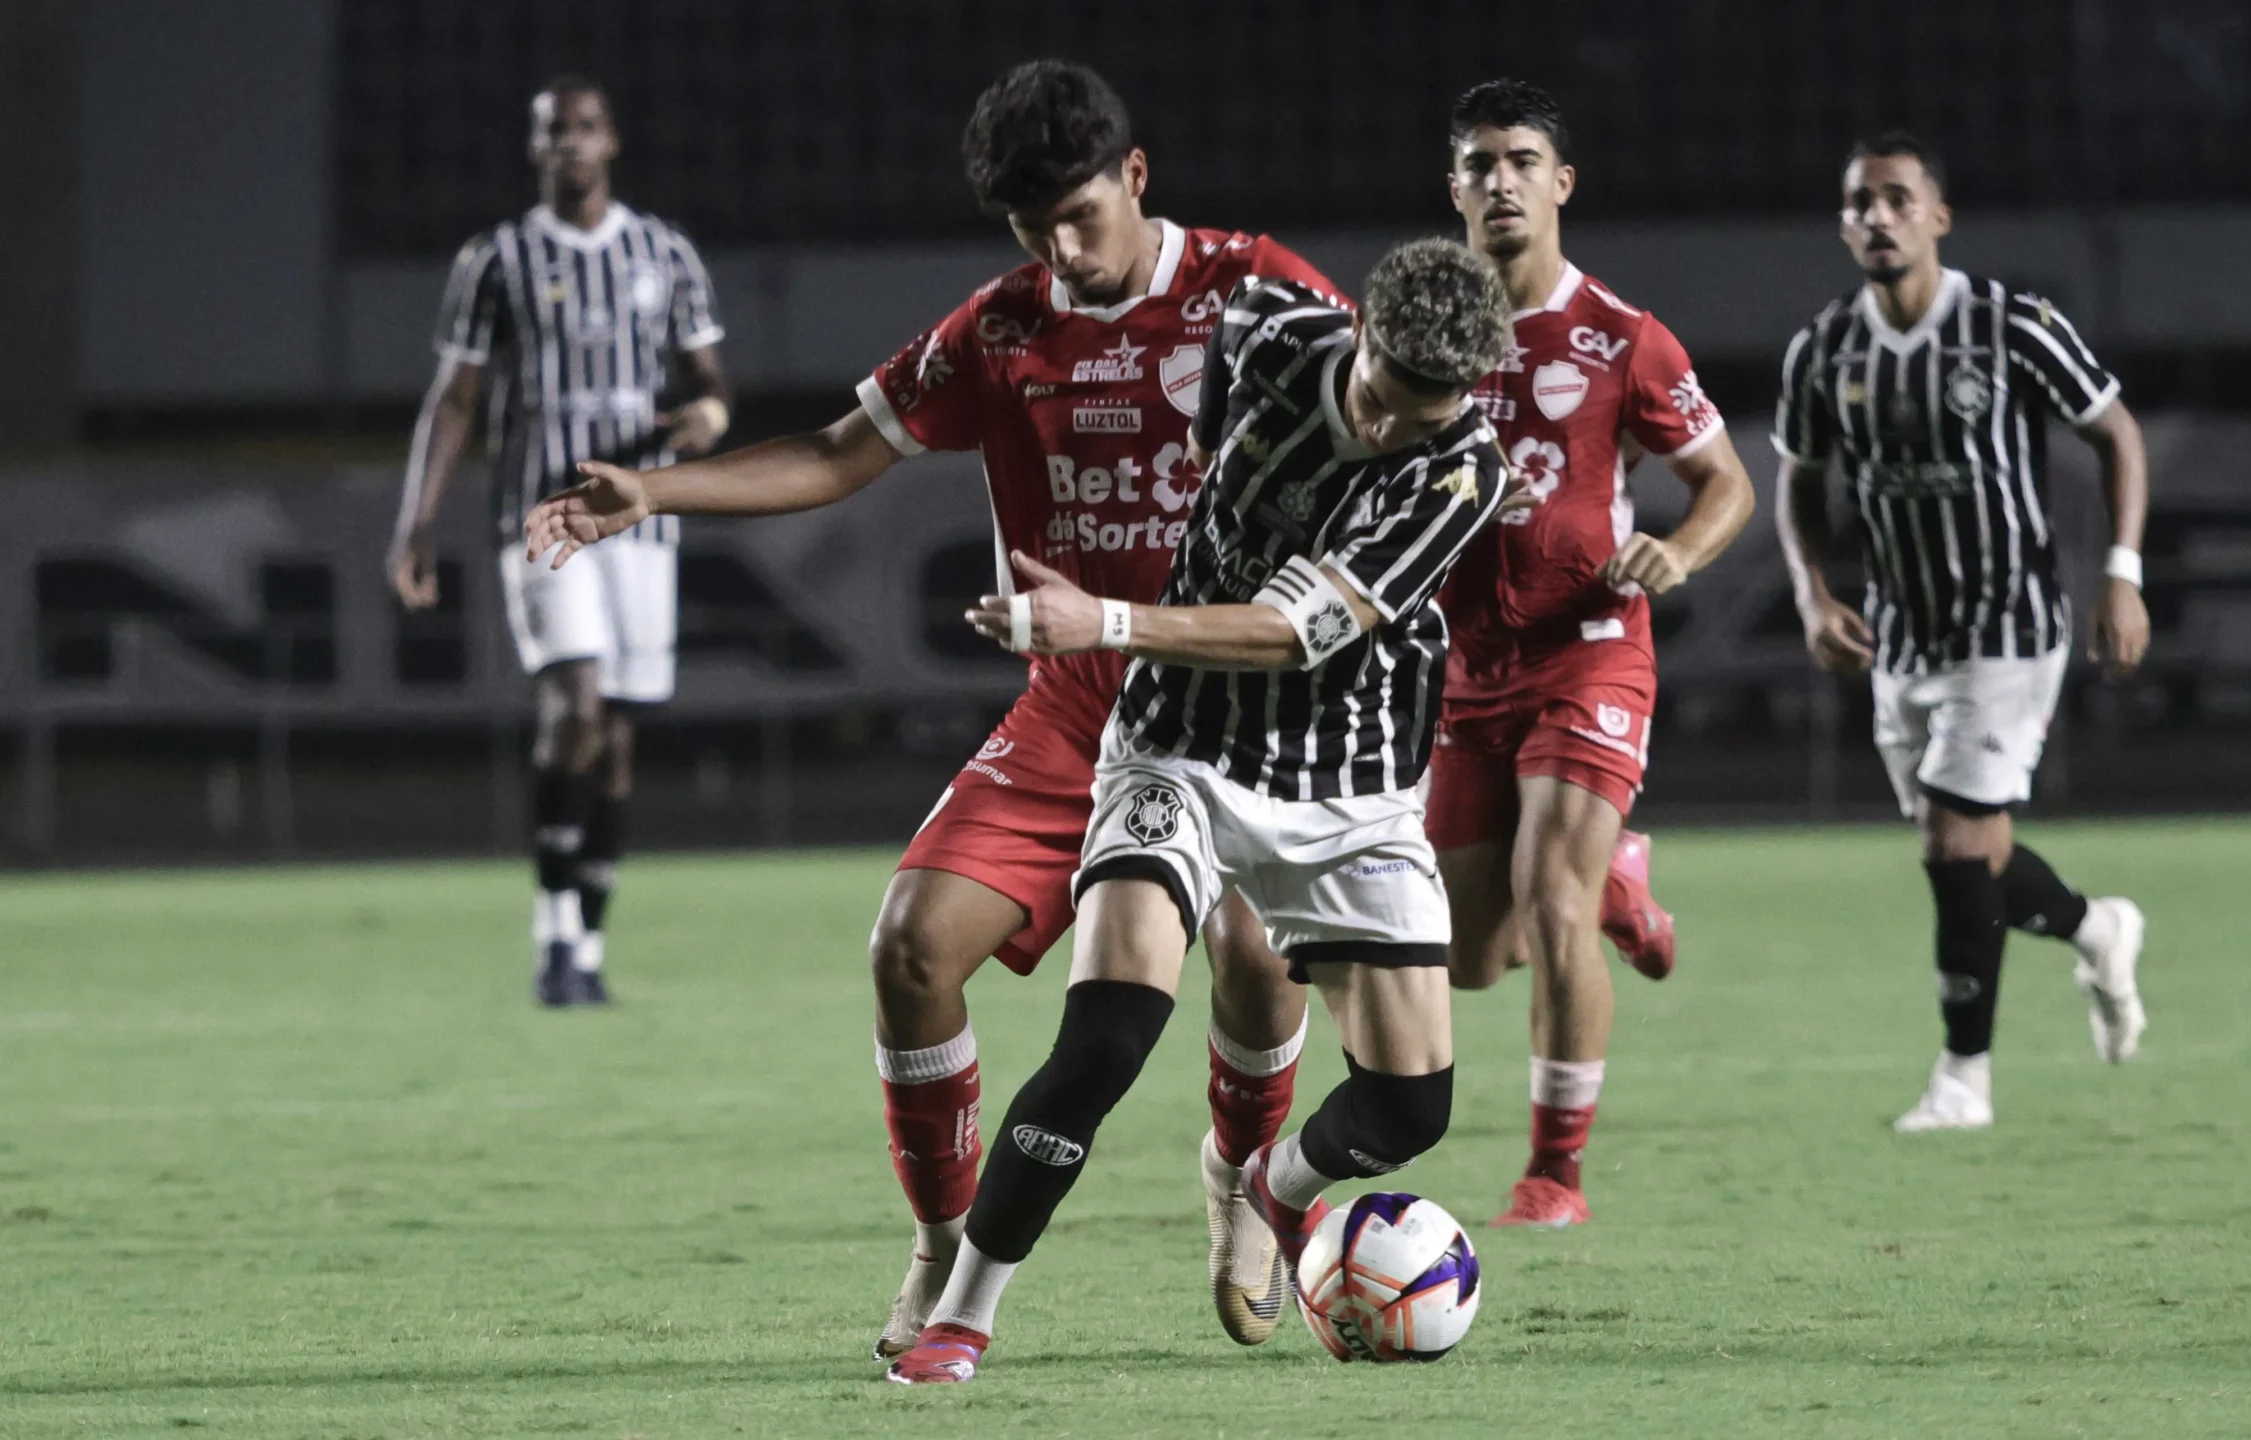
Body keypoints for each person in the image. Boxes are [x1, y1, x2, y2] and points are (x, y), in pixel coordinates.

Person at [522, 61, 1335, 1356]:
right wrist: (658, 492)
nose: (1065, 253)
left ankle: (1242, 1177)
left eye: (1082, 219)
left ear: (1136, 177)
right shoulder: (1005, 326)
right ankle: (944, 1236)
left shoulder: (1264, 291)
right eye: (1033, 233)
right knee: (909, 946)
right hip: (1078, 710)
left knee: (1253, 958)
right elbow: (841, 452)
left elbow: (1377, 440)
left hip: (1236, 703)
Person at [883, 239, 1515, 1385]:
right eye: (1380, 395)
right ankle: (962, 1315)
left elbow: (1286, 631)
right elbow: (1213, 452)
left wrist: (1108, 622)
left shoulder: (1461, 472)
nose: (1387, 430)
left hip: (1347, 788)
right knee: (1107, 1037)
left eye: (1419, 415)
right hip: (1176, 744)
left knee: (1411, 1104)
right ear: (1358, 330)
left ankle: (1268, 1186)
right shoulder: (1267, 330)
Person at [1771, 132, 2152, 1132]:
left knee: (1950, 842)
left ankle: (1962, 1079)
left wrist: (2123, 573)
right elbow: (1798, 483)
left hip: (2010, 625)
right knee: (1970, 857)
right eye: (1860, 203)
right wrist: (1813, 594)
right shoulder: (1823, 350)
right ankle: (2093, 926)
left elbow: (2114, 431)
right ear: (1843, 223)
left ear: (1937, 216)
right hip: (1902, 638)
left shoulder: (2006, 324)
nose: (1877, 218)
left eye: (1898, 199)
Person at [1435, 80, 1757, 1226]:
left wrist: (1676, 550)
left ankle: (1553, 1174)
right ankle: (1623, 878)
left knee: (1548, 897)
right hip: (1462, 667)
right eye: (1478, 164)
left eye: (1522, 159)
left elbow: (1726, 483)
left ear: (1560, 183)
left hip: (1589, 650)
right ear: (1454, 189)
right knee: (1473, 956)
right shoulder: (1424, 336)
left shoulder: (1621, 337)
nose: (1500, 181)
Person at [388, 76, 731, 1007]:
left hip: (641, 519)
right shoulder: (495, 259)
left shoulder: (665, 253)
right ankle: (550, 933)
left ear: (610, 140)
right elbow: (455, 397)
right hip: (539, 517)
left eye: (583, 130)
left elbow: (710, 384)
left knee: (617, 737)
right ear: (535, 149)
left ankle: (584, 942)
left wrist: (704, 417)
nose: (569, 146)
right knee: (575, 706)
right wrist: (414, 525)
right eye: (552, 134)